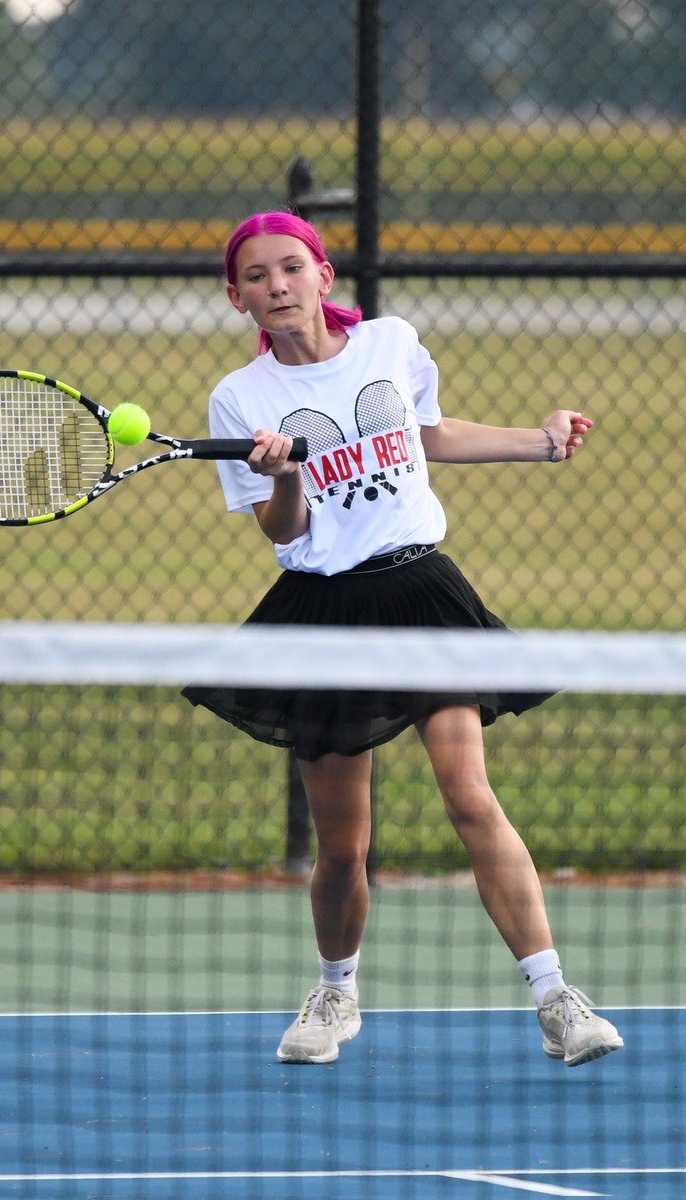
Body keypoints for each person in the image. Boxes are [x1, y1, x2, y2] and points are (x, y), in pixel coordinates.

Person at [182, 211, 623, 1069]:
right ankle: (335, 991)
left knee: (470, 796)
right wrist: (286, 474)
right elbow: (283, 529)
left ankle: (556, 998)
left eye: (291, 268)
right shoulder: (240, 398)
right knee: (344, 845)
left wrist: (540, 442)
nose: (277, 286)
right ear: (237, 298)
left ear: (324, 275)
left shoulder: (390, 343)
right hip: (324, 613)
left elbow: (428, 435)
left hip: (423, 592)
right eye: (257, 276)